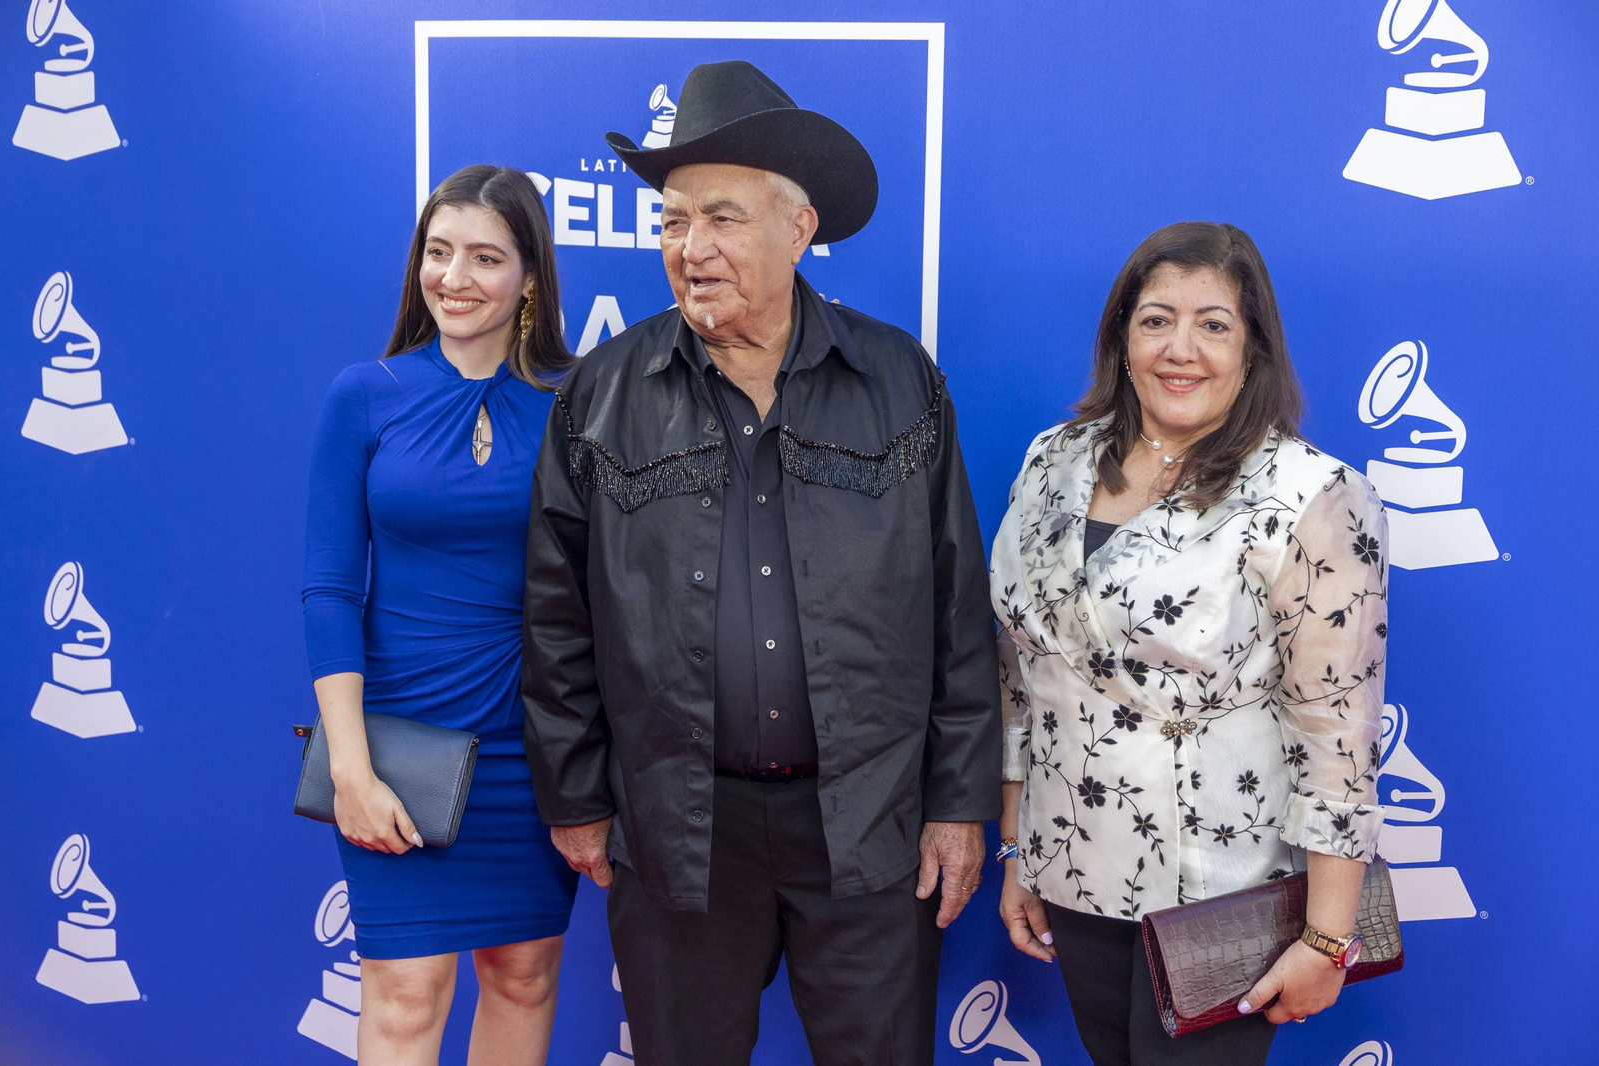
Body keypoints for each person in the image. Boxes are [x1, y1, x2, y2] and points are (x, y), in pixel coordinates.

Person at [520, 60, 1000, 1065]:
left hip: (867, 823)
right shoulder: (600, 395)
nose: (691, 249)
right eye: (672, 221)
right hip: (675, 829)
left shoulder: (900, 380)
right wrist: (576, 797)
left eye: (723, 219)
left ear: (799, 227)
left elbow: (958, 610)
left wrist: (959, 803)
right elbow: (555, 614)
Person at [990, 221, 1389, 1066]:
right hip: (1075, 869)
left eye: (1214, 324)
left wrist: (1327, 940)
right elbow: (1025, 679)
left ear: (1254, 349)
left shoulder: (1311, 494)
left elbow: (1337, 734)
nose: (1182, 348)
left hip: (1223, 894)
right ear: (1121, 338)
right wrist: (1020, 849)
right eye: (1156, 319)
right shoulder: (1052, 460)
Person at [302, 165, 579, 1066]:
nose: (453, 277)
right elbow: (331, 589)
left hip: (535, 745)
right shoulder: (365, 395)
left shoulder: (578, 404)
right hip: (398, 743)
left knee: (524, 975)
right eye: (438, 250)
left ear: (532, 275)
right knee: (407, 992)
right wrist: (349, 768)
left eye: (485, 257)